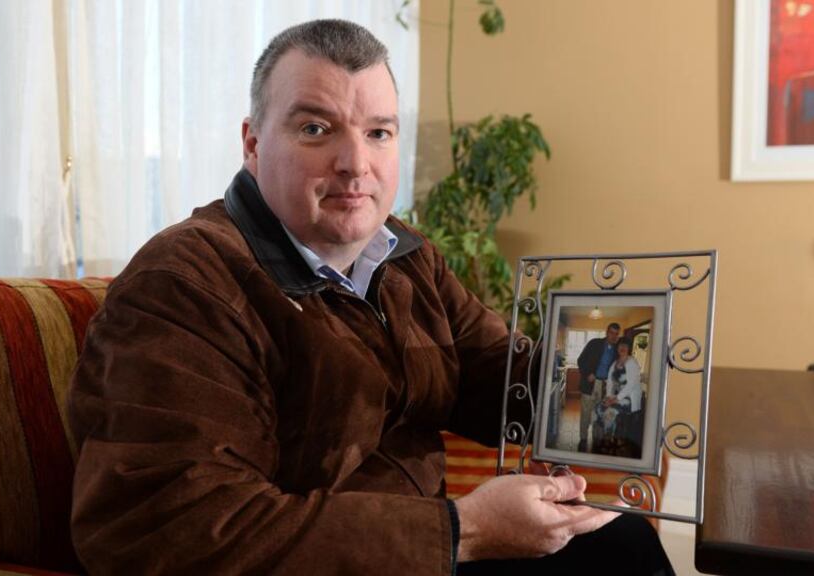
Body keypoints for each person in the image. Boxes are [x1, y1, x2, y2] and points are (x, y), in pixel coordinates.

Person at [66, 19, 674, 575]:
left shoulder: (404, 255)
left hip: (421, 552)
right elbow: (169, 527)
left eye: (378, 132)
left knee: (622, 541)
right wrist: (466, 530)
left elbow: (497, 375)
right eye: (315, 129)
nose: (356, 164)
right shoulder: (183, 285)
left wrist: (611, 371)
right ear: (252, 144)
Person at [575, 322, 621, 451]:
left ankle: (596, 438)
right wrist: (587, 374)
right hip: (590, 383)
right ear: (607, 332)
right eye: (611, 333)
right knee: (586, 412)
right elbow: (580, 360)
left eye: (616, 334)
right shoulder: (594, 343)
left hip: (606, 386)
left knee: (599, 413)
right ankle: (583, 439)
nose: (613, 336)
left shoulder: (618, 350)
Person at [601, 338, 645, 457]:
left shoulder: (632, 362)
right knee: (600, 408)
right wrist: (609, 397)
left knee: (610, 411)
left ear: (629, 348)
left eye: (625, 346)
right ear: (617, 347)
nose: (623, 348)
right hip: (618, 396)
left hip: (629, 399)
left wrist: (615, 399)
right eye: (621, 345)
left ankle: (613, 441)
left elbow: (630, 385)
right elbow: (610, 381)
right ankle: (608, 437)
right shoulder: (615, 363)